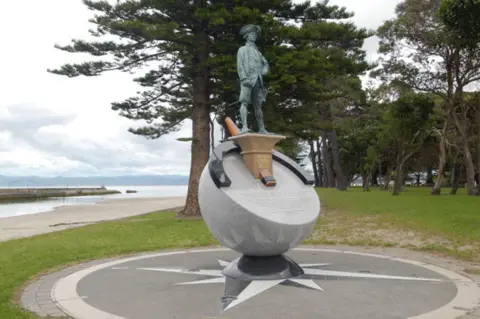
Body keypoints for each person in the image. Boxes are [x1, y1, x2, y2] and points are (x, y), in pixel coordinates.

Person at [237, 24, 270, 134]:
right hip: (247, 80)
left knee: (258, 105)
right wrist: (243, 78)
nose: (254, 36)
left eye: (255, 35)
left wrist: (265, 70)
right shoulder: (242, 50)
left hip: (258, 80)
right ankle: (244, 127)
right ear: (246, 36)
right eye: (252, 34)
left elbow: (265, 63)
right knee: (244, 102)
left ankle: (262, 128)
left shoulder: (258, 52)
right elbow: (240, 65)